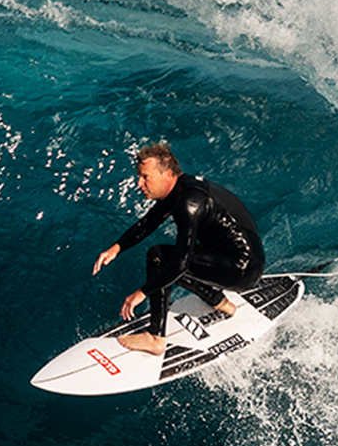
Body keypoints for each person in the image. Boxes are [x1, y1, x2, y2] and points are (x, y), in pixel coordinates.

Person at [91, 143, 265, 356]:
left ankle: (155, 338)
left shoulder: (188, 204)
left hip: (241, 269)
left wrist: (142, 293)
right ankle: (220, 302)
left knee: (160, 258)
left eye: (145, 177)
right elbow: (148, 223)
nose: (139, 183)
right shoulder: (182, 188)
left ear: (167, 174)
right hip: (245, 260)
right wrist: (117, 248)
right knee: (176, 261)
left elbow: (180, 264)